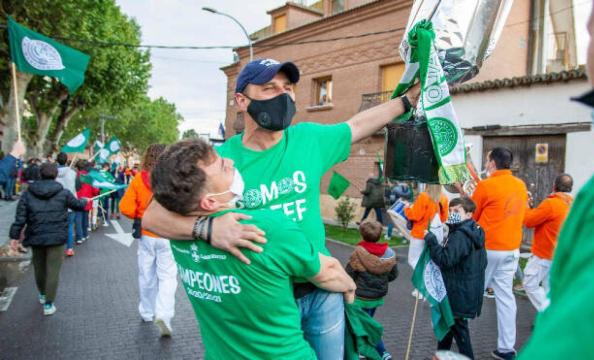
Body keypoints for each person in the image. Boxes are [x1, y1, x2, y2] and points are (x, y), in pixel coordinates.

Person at [142, 58, 420, 358]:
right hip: (263, 303)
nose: (283, 95)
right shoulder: (220, 162)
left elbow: (357, 125)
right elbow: (153, 215)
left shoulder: (308, 139)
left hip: (320, 291)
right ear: (241, 99)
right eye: (269, 88)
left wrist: (407, 100)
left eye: (288, 88)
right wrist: (206, 227)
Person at [151, 139, 356, 358]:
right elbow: (329, 273)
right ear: (209, 202)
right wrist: (350, 286)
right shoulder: (266, 227)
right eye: (222, 166)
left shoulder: (179, 237)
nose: (230, 161)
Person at [520, 1, 594, 358]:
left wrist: (527, 206)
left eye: (590, 32)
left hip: (541, 256)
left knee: (531, 286)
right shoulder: (571, 203)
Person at [471, 147, 528, 360]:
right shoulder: (520, 185)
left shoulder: (486, 185)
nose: (486, 165)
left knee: (471, 292)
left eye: (487, 161)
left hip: (489, 248)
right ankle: (506, 349)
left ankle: (453, 332)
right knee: (506, 298)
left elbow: (472, 215)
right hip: (512, 249)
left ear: (493, 163)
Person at [9, 163, 87, 315]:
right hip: (57, 237)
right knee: (53, 270)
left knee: (39, 268)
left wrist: (14, 236)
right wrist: (84, 201)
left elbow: (20, 218)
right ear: (56, 175)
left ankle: (43, 294)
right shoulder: (63, 193)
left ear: (40, 174)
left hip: (36, 235)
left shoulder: (27, 194)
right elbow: (77, 205)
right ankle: (49, 304)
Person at [120, 144, 178, 337]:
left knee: (146, 275)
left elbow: (125, 208)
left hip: (147, 234)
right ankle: (164, 314)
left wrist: (141, 214)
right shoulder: (173, 178)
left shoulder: (138, 179)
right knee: (168, 276)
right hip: (168, 234)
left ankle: (147, 312)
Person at [426, 197, 487, 360]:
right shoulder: (475, 231)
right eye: (451, 210)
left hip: (457, 294)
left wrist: (432, 242)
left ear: (468, 215)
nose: (452, 214)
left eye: (457, 211)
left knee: (460, 335)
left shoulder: (460, 235)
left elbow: (445, 260)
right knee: (447, 330)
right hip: (463, 291)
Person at [345, 221, 398, 360]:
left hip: (360, 298)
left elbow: (349, 275)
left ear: (362, 234)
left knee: (365, 326)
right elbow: (393, 274)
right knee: (366, 323)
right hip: (377, 298)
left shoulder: (358, 253)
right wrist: (380, 282)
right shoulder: (389, 254)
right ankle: (363, 349)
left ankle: (383, 352)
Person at [522, 174, 573, 312]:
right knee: (549, 289)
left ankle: (549, 314)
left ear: (554, 186)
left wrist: (526, 206)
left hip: (544, 253)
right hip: (559, 254)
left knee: (529, 284)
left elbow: (528, 221)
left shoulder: (551, 203)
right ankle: (549, 316)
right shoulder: (573, 204)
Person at [404, 184, 444, 269]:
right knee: (429, 261)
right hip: (434, 235)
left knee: (414, 260)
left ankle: (421, 280)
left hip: (420, 234)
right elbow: (444, 217)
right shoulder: (443, 198)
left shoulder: (424, 196)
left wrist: (406, 209)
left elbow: (415, 215)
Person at [55, 152, 79, 257]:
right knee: (69, 226)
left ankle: (57, 249)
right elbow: (78, 187)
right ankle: (69, 248)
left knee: (57, 226)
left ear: (57, 160)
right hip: (70, 203)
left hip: (56, 204)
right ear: (66, 160)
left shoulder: (52, 172)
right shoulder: (72, 173)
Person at [75, 160, 98, 245]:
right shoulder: (89, 177)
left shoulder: (75, 175)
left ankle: (79, 237)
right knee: (85, 218)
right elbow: (95, 190)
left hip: (77, 200)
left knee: (78, 219)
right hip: (87, 200)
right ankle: (85, 234)